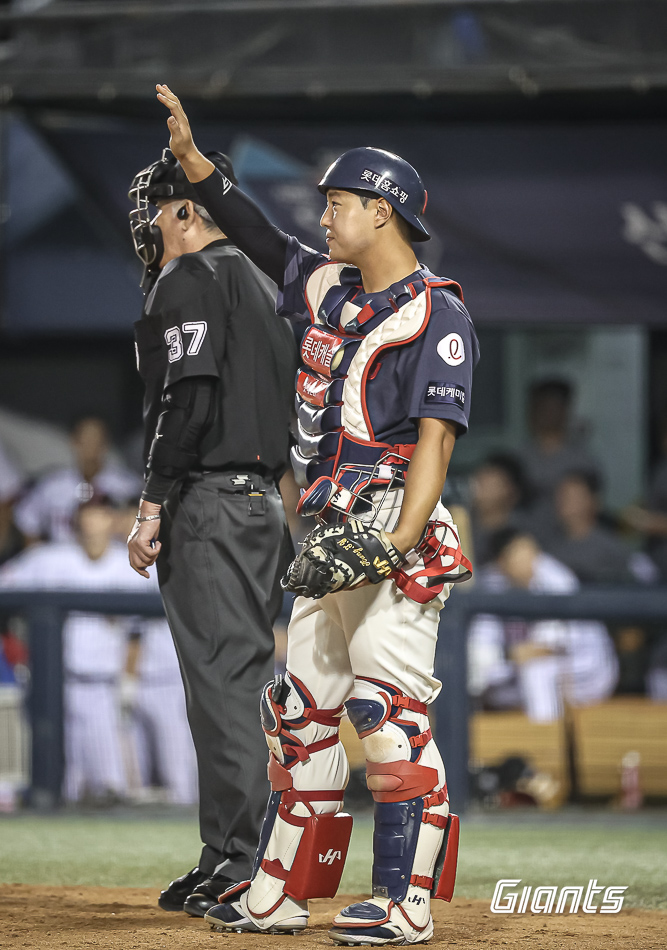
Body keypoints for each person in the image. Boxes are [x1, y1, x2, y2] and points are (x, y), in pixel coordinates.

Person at [156, 84, 478, 945]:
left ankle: (406, 904)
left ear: (381, 212)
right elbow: (262, 239)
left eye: (337, 204)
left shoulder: (435, 312)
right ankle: (280, 891)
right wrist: (196, 165)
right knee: (299, 712)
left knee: (385, 711)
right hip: (327, 533)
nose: (323, 216)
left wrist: (395, 542)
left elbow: (436, 447)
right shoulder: (329, 287)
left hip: (389, 528)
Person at [126, 147, 297, 917]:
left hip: (213, 504)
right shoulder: (262, 284)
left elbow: (187, 405)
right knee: (231, 684)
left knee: (225, 687)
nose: (150, 223)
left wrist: (152, 503)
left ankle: (247, 859)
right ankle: (224, 849)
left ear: (189, 209)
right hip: (260, 502)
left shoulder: (191, 277)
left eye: (159, 208)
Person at [0, 496, 143, 802]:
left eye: (99, 515)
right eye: (86, 515)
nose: (91, 523)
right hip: (56, 686)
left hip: (104, 687)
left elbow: (140, 631)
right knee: (63, 782)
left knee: (111, 782)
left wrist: (130, 679)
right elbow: (7, 588)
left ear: (111, 520)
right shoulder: (49, 558)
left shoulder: (128, 563)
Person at [467, 529, 618, 722]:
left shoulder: (556, 579)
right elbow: (480, 648)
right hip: (524, 669)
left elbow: (545, 648)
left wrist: (507, 655)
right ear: (502, 563)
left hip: (586, 667)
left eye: (531, 551)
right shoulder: (493, 584)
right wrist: (505, 657)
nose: (530, 560)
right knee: (478, 674)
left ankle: (545, 744)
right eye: (520, 554)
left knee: (537, 670)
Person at [13, 417, 140, 544]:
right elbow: (27, 521)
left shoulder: (128, 486)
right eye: (85, 438)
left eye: (96, 439)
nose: (90, 444)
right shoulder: (53, 484)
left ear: (105, 443)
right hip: (62, 557)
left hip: (112, 559)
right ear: (74, 441)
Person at [517, 380, 600, 544]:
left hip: (571, 544)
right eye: (543, 407)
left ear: (566, 410)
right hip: (525, 541)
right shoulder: (518, 457)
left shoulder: (582, 459)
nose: (548, 413)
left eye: (554, 407)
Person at [548, 470, 657, 585]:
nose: (564, 501)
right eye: (562, 495)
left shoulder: (613, 549)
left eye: (572, 496)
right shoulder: (548, 546)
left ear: (593, 501)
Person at [468, 453, 531, 567]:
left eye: (489, 484)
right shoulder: (460, 523)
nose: (478, 490)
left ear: (510, 491)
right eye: (479, 482)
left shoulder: (524, 530)